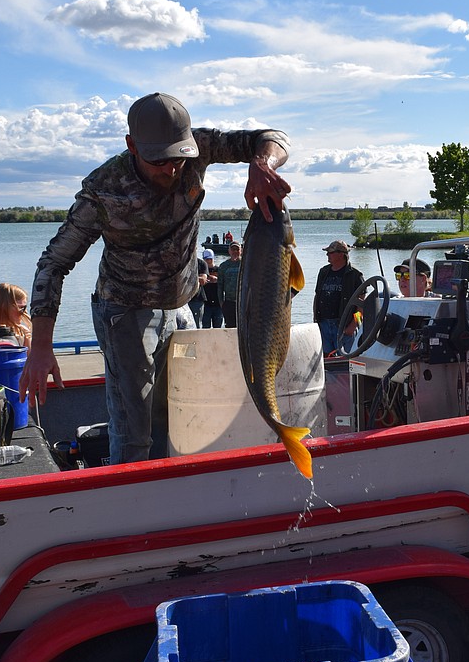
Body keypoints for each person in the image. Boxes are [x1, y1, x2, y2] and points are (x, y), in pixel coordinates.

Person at [20, 92, 290, 465]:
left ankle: (171, 491)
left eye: (179, 157)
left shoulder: (199, 147)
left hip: (182, 306)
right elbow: (53, 263)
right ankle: (130, 502)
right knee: (135, 430)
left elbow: (272, 137)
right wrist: (40, 348)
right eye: (158, 160)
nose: (171, 169)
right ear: (132, 146)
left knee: (180, 413)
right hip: (126, 312)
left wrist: (262, 163)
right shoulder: (104, 191)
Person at [312, 240, 364, 355]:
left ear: (341, 254)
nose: (327, 255)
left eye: (330, 252)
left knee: (345, 361)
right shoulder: (323, 272)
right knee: (326, 360)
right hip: (323, 324)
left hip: (344, 326)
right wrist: (316, 320)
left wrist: (353, 326)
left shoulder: (355, 275)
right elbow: (317, 296)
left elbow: (362, 306)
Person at [217, 242, 242, 327]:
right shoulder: (223, 266)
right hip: (229, 302)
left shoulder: (245, 264)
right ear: (229, 251)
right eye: (233, 249)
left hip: (243, 302)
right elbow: (220, 285)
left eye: (237, 249)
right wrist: (221, 303)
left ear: (241, 251)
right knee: (230, 327)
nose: (235, 251)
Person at [199, 248, 223, 328]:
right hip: (205, 303)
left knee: (218, 327)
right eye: (206, 259)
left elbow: (224, 282)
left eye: (210, 259)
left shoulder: (219, 269)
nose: (208, 261)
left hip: (218, 303)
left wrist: (217, 280)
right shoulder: (202, 271)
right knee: (205, 326)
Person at [188, 252, 209, 323]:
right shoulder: (180, 263)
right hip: (180, 300)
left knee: (197, 324)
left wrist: (186, 277)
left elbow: (203, 280)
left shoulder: (202, 263)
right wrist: (197, 278)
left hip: (196, 299)